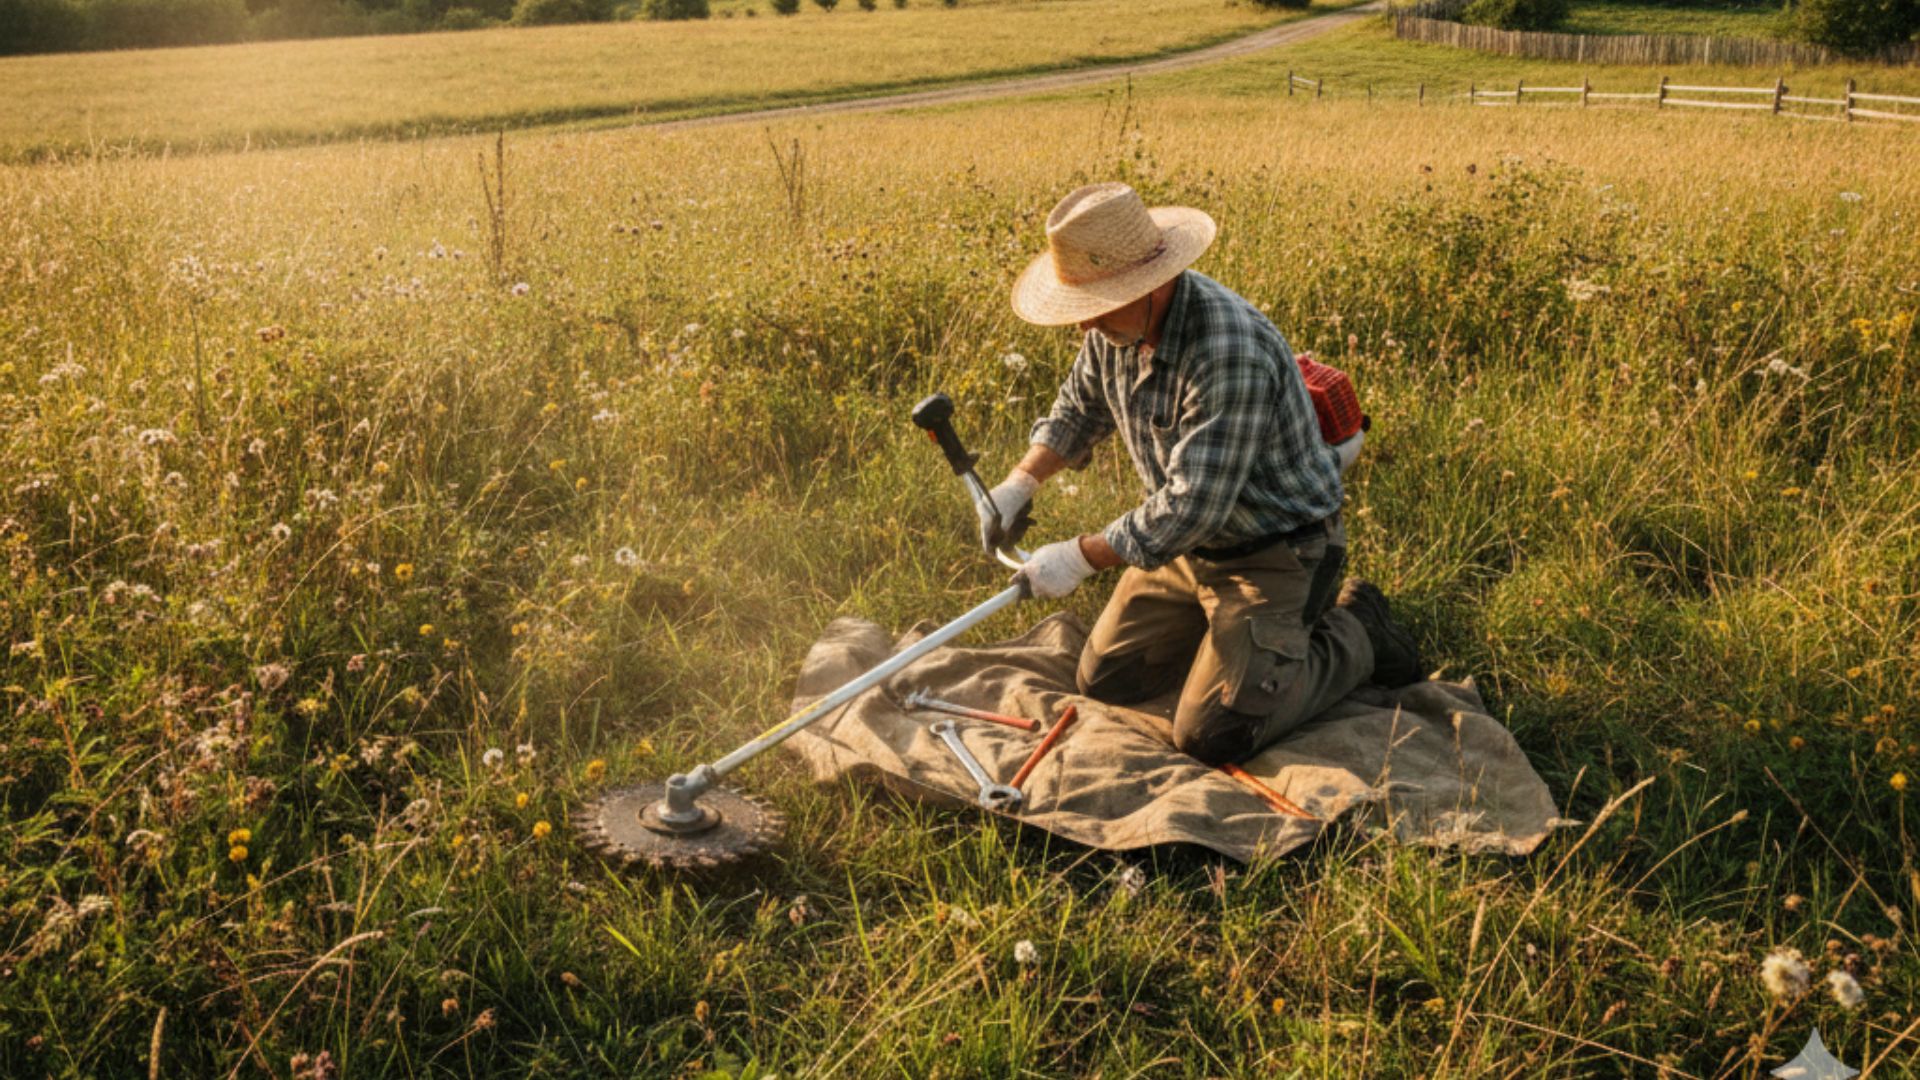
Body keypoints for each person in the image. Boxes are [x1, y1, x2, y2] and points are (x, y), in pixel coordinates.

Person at [983, 182, 1423, 766]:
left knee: (1214, 734)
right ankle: (1239, 646)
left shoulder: (1227, 350)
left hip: (1276, 551)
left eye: (1098, 306)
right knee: (1106, 680)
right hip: (1187, 549)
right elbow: (1079, 410)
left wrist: (1079, 556)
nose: (1084, 327)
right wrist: (1019, 483)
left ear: (1152, 284)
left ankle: (1358, 630)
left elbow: (1192, 505)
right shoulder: (1116, 328)